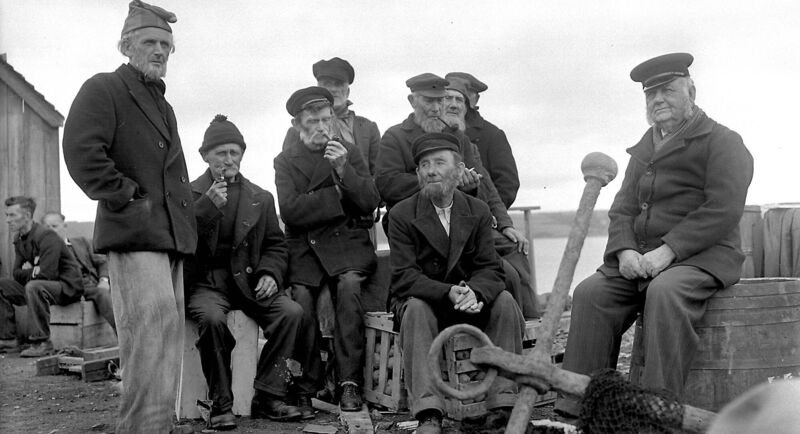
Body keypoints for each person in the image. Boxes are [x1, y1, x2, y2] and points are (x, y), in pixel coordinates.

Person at [554, 53, 754, 418]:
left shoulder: (724, 142)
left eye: (667, 90)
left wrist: (669, 251)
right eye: (651, 95)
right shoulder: (644, 149)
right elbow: (622, 210)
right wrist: (625, 251)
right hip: (642, 259)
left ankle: (657, 413)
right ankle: (579, 411)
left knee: (665, 292)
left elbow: (722, 209)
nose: (658, 100)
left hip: (702, 257)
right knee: (590, 293)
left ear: (690, 90)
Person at [62, 2, 197, 432]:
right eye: (150, 42)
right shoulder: (104, 88)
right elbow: (82, 151)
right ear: (126, 45)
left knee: (166, 339)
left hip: (168, 239)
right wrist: (128, 198)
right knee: (148, 341)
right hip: (134, 234)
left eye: (165, 45)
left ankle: (157, 426)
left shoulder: (165, 106)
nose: (159, 51)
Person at [186, 115, 321, 428]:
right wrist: (205, 208)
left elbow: (277, 245)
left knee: (291, 312)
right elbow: (181, 245)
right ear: (205, 155)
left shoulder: (260, 197)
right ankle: (220, 404)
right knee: (213, 320)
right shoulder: (188, 197)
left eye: (235, 152)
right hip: (206, 285)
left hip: (248, 282)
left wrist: (269, 274)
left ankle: (269, 395)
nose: (229, 160)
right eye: (221, 153)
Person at [388, 133, 524, 434]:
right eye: (424, 165)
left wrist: (475, 292)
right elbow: (403, 277)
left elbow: (490, 268)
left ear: (459, 169)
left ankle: (502, 405)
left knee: (505, 302)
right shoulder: (401, 215)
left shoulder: (477, 210)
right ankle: (428, 413)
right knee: (416, 310)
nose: (431, 170)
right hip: (426, 299)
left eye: (439, 162)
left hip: (468, 300)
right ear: (417, 173)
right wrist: (447, 291)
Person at [375, 73, 538, 318]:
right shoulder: (395, 137)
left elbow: (486, 184)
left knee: (513, 252)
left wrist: (504, 223)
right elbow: (388, 184)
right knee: (503, 271)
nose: (435, 108)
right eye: (428, 101)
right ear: (412, 101)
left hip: (461, 221)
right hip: (414, 226)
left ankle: (525, 328)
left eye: (439, 101)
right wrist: (440, 181)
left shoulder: (458, 137)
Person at [275, 87, 380, 411]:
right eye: (313, 121)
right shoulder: (285, 160)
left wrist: (342, 171)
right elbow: (290, 211)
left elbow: (369, 201)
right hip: (306, 246)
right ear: (297, 125)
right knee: (302, 298)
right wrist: (336, 196)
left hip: (346, 241)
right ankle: (309, 383)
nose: (322, 127)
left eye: (326, 119)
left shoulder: (346, 151)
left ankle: (349, 383)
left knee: (349, 288)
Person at [0, 197, 84, 357]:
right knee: (3, 284)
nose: (7, 220)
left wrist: (33, 271)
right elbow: (16, 273)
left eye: (12, 215)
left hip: (67, 286)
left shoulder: (47, 236)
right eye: (6, 215)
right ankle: (8, 339)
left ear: (27, 215)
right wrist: (34, 271)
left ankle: (42, 342)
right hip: (43, 286)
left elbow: (48, 273)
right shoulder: (18, 239)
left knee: (34, 286)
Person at [282, 57, 381, 176]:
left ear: (348, 91)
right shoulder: (296, 131)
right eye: (327, 84)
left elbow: (378, 172)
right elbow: (290, 173)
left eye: (339, 84)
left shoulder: (368, 128)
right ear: (318, 88)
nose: (333, 89)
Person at [445, 72, 520, 209]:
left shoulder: (492, 134)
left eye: (466, 94)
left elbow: (507, 184)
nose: (453, 104)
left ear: (475, 99)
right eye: (448, 97)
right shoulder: (434, 128)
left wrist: (488, 215)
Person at [40, 212, 116, 333]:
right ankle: (125, 335)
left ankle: (131, 333)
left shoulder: (82, 242)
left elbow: (102, 262)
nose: (51, 231)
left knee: (112, 292)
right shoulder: (44, 251)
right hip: (70, 288)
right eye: (47, 228)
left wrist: (104, 280)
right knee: (101, 294)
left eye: (54, 226)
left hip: (93, 284)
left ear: (64, 226)